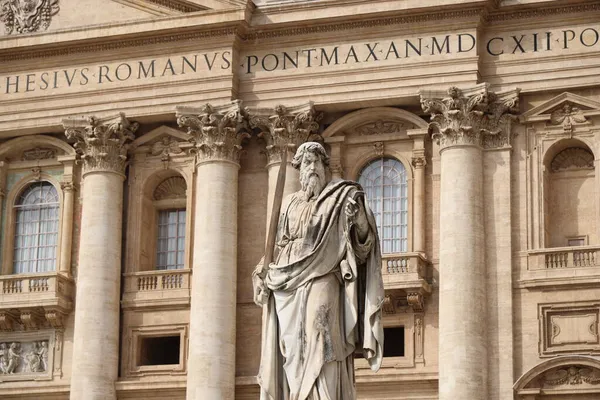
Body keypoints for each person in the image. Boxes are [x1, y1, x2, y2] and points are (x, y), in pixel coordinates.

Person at [253, 142, 384, 400]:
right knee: (292, 347)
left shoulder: (341, 197)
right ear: (299, 170)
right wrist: (261, 272)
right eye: (306, 163)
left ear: (325, 167)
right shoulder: (289, 204)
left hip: (324, 274)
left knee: (320, 331)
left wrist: (358, 221)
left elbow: (363, 247)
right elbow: (277, 247)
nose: (311, 168)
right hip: (287, 282)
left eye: (316, 162)